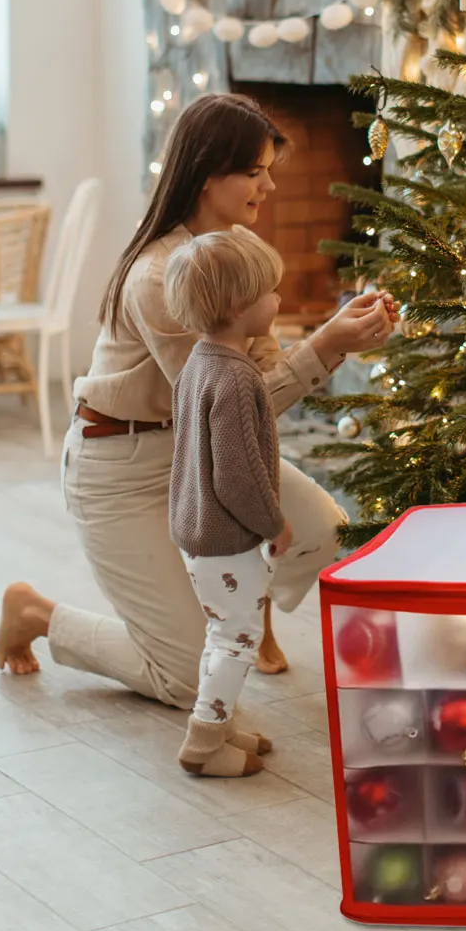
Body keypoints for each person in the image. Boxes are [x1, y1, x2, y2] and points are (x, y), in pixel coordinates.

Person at [0, 92, 394, 710]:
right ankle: (38, 614)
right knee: (184, 677)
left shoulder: (232, 256)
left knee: (322, 530)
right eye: (255, 171)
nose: (270, 186)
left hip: (195, 455)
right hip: (120, 467)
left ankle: (243, 605)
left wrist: (334, 341)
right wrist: (327, 343)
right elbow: (225, 407)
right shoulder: (161, 277)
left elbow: (255, 382)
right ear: (210, 175)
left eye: (270, 170)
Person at [166, 229, 292, 777]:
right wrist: (274, 524)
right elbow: (238, 477)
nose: (279, 300)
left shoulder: (199, 361)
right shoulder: (237, 379)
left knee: (224, 632)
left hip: (197, 530)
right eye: (271, 292)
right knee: (237, 637)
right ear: (240, 307)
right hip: (227, 534)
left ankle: (222, 720)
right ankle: (205, 741)